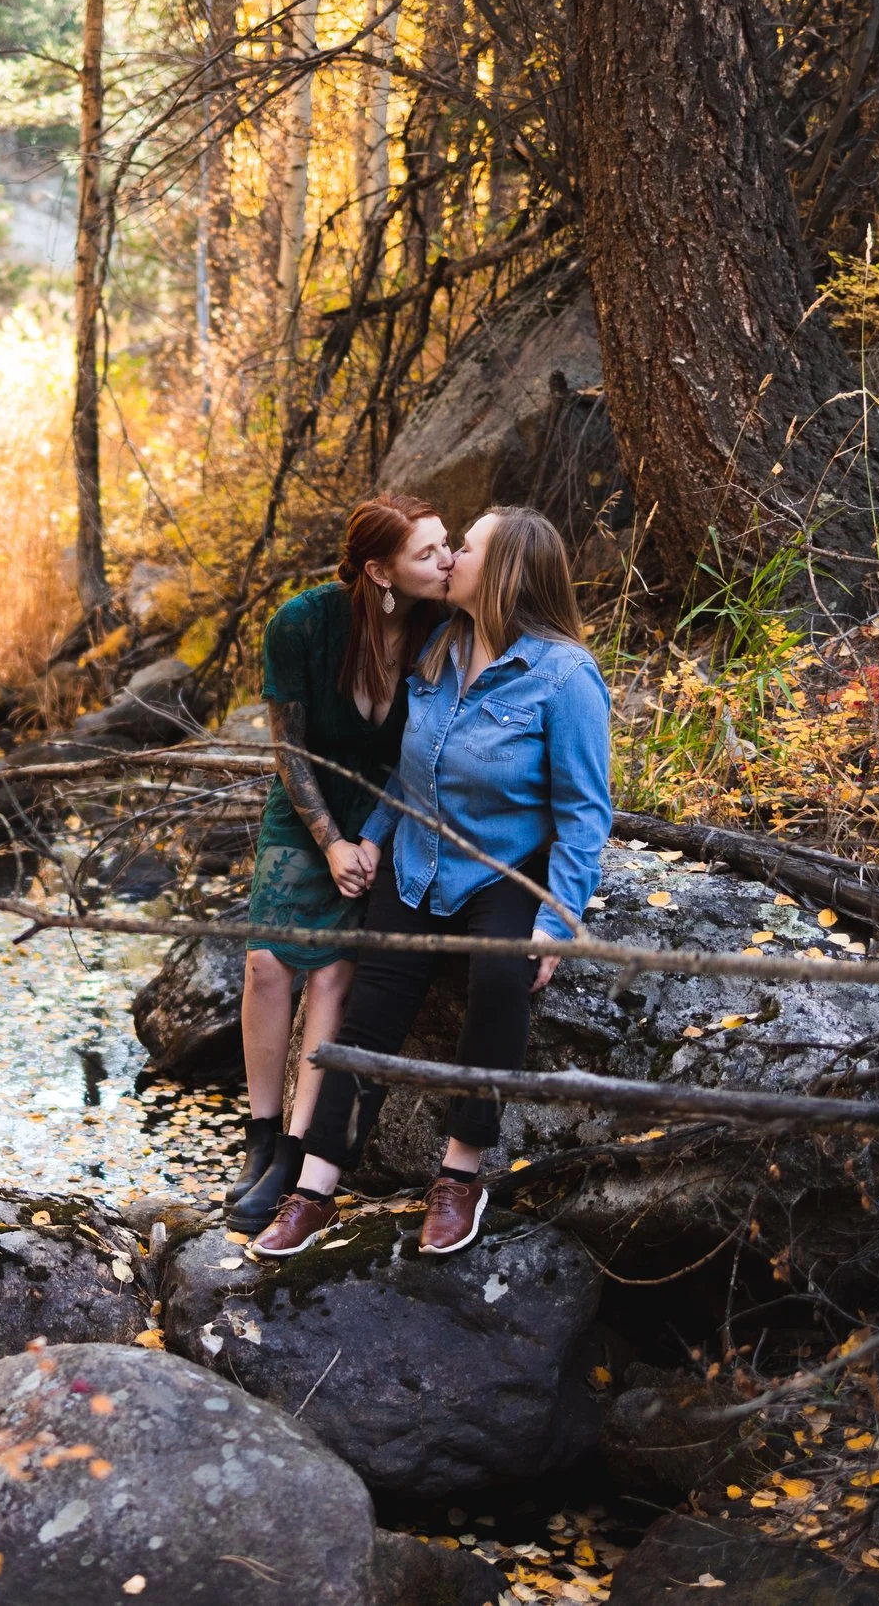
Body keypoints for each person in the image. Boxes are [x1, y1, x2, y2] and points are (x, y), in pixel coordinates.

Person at [248, 505, 613, 1259]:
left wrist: (559, 918)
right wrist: (373, 837)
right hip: (417, 862)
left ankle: (459, 1175)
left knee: (500, 979)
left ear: (504, 571)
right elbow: (412, 773)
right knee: (371, 1014)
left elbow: (584, 813)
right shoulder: (441, 646)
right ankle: (314, 1188)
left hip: (503, 867)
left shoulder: (564, 676)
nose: (451, 559)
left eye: (464, 548)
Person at [223, 493, 453, 1235]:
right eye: (427, 552)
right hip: (307, 807)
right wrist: (328, 841)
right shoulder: (302, 623)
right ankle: (261, 1138)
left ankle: (296, 1151)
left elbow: (424, 753)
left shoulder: (442, 628)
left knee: (332, 974)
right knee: (266, 964)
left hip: (387, 812)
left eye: (446, 546)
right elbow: (288, 750)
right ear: (382, 572)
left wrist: (372, 840)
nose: (446, 561)